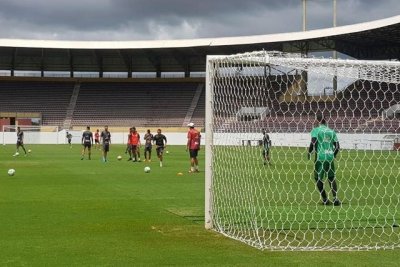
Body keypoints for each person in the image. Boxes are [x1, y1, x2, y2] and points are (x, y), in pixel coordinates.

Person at [308, 114, 341, 206]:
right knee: (331, 178)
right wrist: (332, 155)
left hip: (320, 157)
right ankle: (335, 199)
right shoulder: (331, 131)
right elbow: (337, 147)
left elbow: (313, 141)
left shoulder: (316, 130)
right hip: (330, 157)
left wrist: (309, 151)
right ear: (325, 121)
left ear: (317, 121)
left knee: (318, 178)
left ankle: (325, 199)